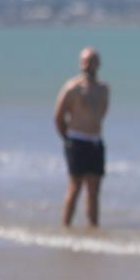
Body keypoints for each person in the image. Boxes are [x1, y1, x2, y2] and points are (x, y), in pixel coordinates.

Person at [54, 46, 110, 227]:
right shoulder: (73, 88)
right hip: (77, 140)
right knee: (75, 186)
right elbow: (58, 116)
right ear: (80, 64)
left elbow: (102, 113)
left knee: (94, 189)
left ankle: (93, 227)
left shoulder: (103, 88)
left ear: (98, 64)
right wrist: (67, 138)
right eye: (85, 61)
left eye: (92, 61)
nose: (88, 65)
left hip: (95, 142)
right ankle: (66, 225)